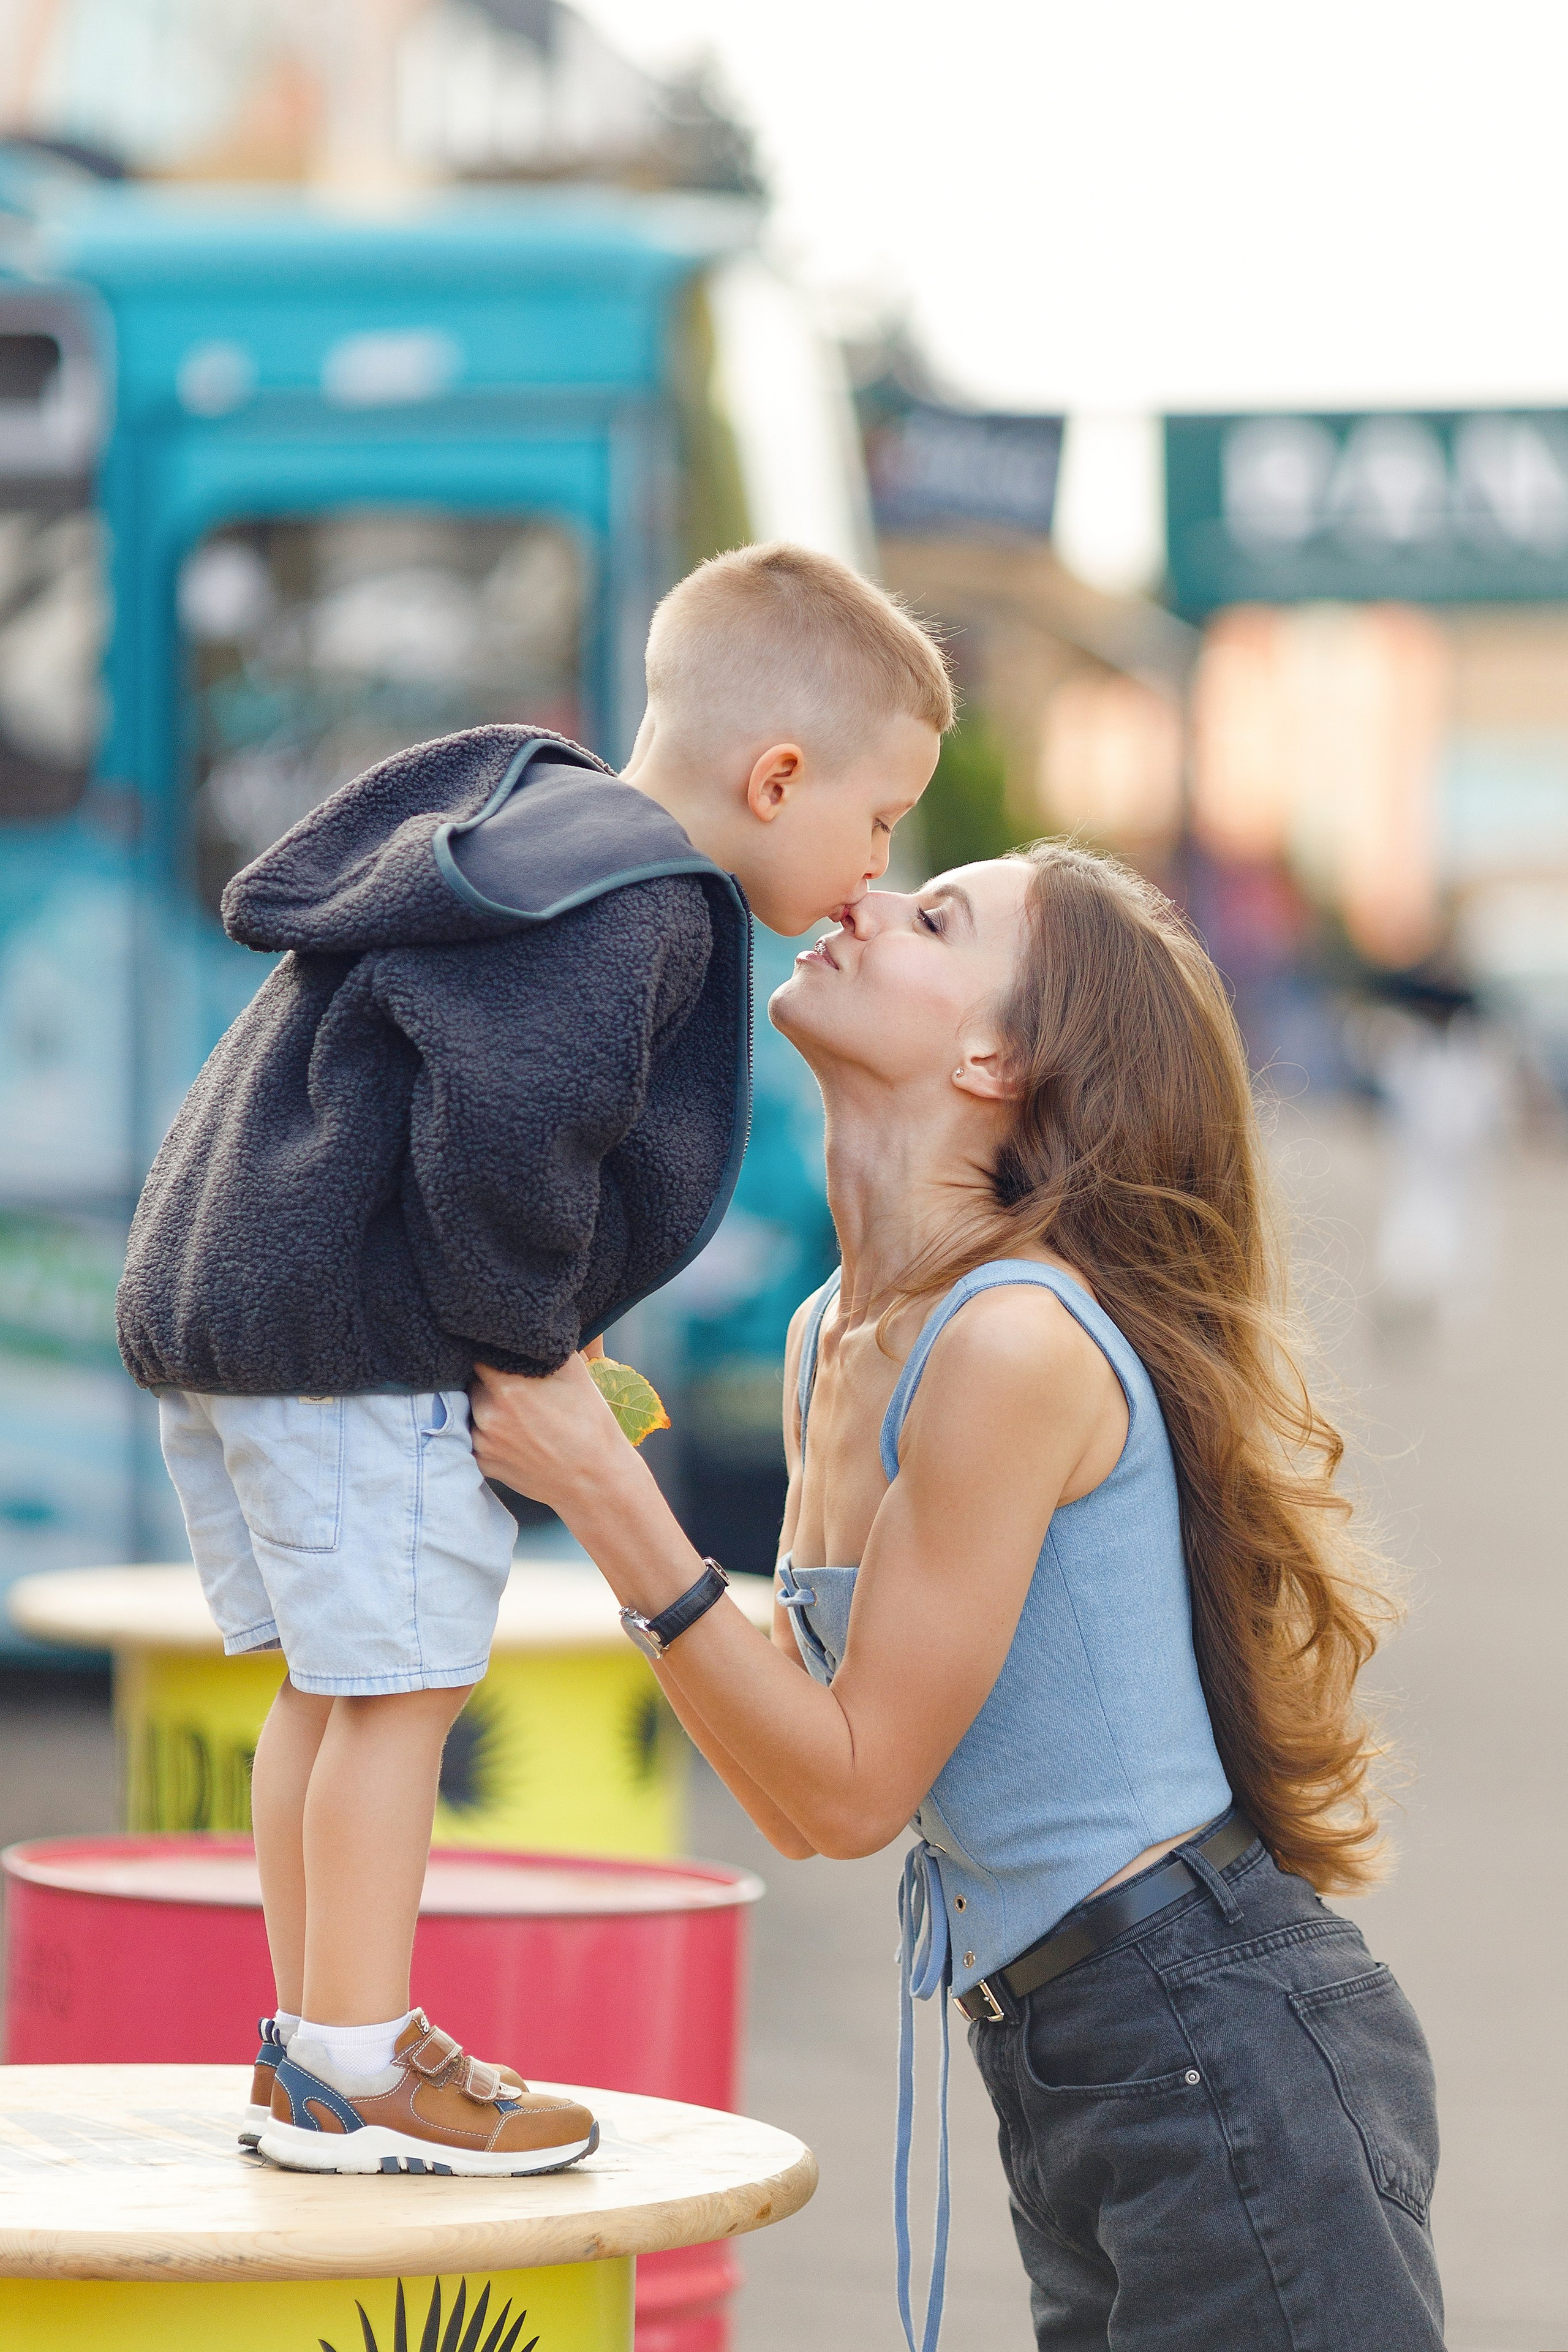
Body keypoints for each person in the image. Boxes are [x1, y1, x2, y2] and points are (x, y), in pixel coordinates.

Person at [469, 843, 1445, 2347]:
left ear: (999, 1055)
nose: (856, 899)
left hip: (1212, 2034)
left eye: (936, 916)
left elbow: (855, 1794)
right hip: (1074, 2051)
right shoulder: (831, 1340)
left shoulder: (1012, 1342)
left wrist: (602, 1487)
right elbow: (801, 1804)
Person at [114, 541, 951, 2179]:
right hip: (362, 1339)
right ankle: (353, 2063)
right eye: (879, 822)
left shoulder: (522, 833)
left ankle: (314, 2038)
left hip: (248, 1312)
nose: (875, 869)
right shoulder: (631, 908)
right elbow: (509, 1135)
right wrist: (530, 1341)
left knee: (332, 1686)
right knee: (408, 1689)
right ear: (777, 776)